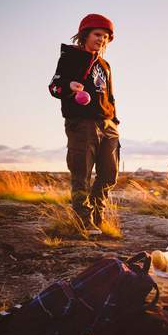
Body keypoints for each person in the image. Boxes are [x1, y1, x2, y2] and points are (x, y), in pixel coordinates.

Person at [48, 14, 120, 234]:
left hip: (108, 124)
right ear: (85, 34)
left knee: (109, 175)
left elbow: (110, 96)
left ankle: (98, 217)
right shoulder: (70, 57)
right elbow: (54, 87)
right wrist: (70, 85)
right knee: (82, 175)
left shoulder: (105, 65)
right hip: (82, 124)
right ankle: (84, 221)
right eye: (98, 34)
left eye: (106, 37)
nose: (102, 40)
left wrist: (115, 122)